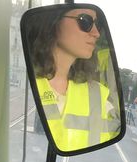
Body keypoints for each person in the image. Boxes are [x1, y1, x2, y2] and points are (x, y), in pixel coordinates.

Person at [28, 6, 120, 152]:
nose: (96, 33)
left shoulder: (100, 96)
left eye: (98, 25)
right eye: (85, 21)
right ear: (54, 22)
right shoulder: (26, 86)